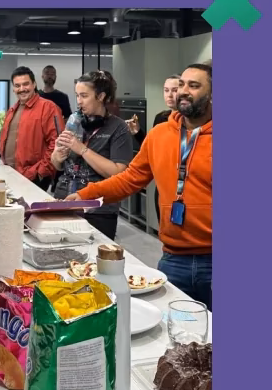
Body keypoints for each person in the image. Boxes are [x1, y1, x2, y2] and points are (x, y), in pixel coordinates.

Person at [65, 64, 213, 309]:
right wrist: (84, 194)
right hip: (173, 257)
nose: (183, 91)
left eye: (194, 86)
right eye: (182, 85)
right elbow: (130, 178)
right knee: (175, 330)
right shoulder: (159, 135)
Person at [49, 70, 134, 239]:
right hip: (64, 199)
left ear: (101, 96)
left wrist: (82, 149)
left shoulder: (119, 128)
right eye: (77, 96)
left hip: (98, 209)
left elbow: (118, 173)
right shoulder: (75, 122)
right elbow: (57, 163)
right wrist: (57, 157)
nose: (79, 102)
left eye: (84, 96)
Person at [0, 66, 61, 189]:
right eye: (17, 86)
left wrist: (40, 172)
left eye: (25, 84)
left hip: (34, 177)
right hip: (11, 174)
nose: (22, 89)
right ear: (13, 88)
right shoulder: (12, 110)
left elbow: (56, 143)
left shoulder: (48, 107)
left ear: (34, 84)